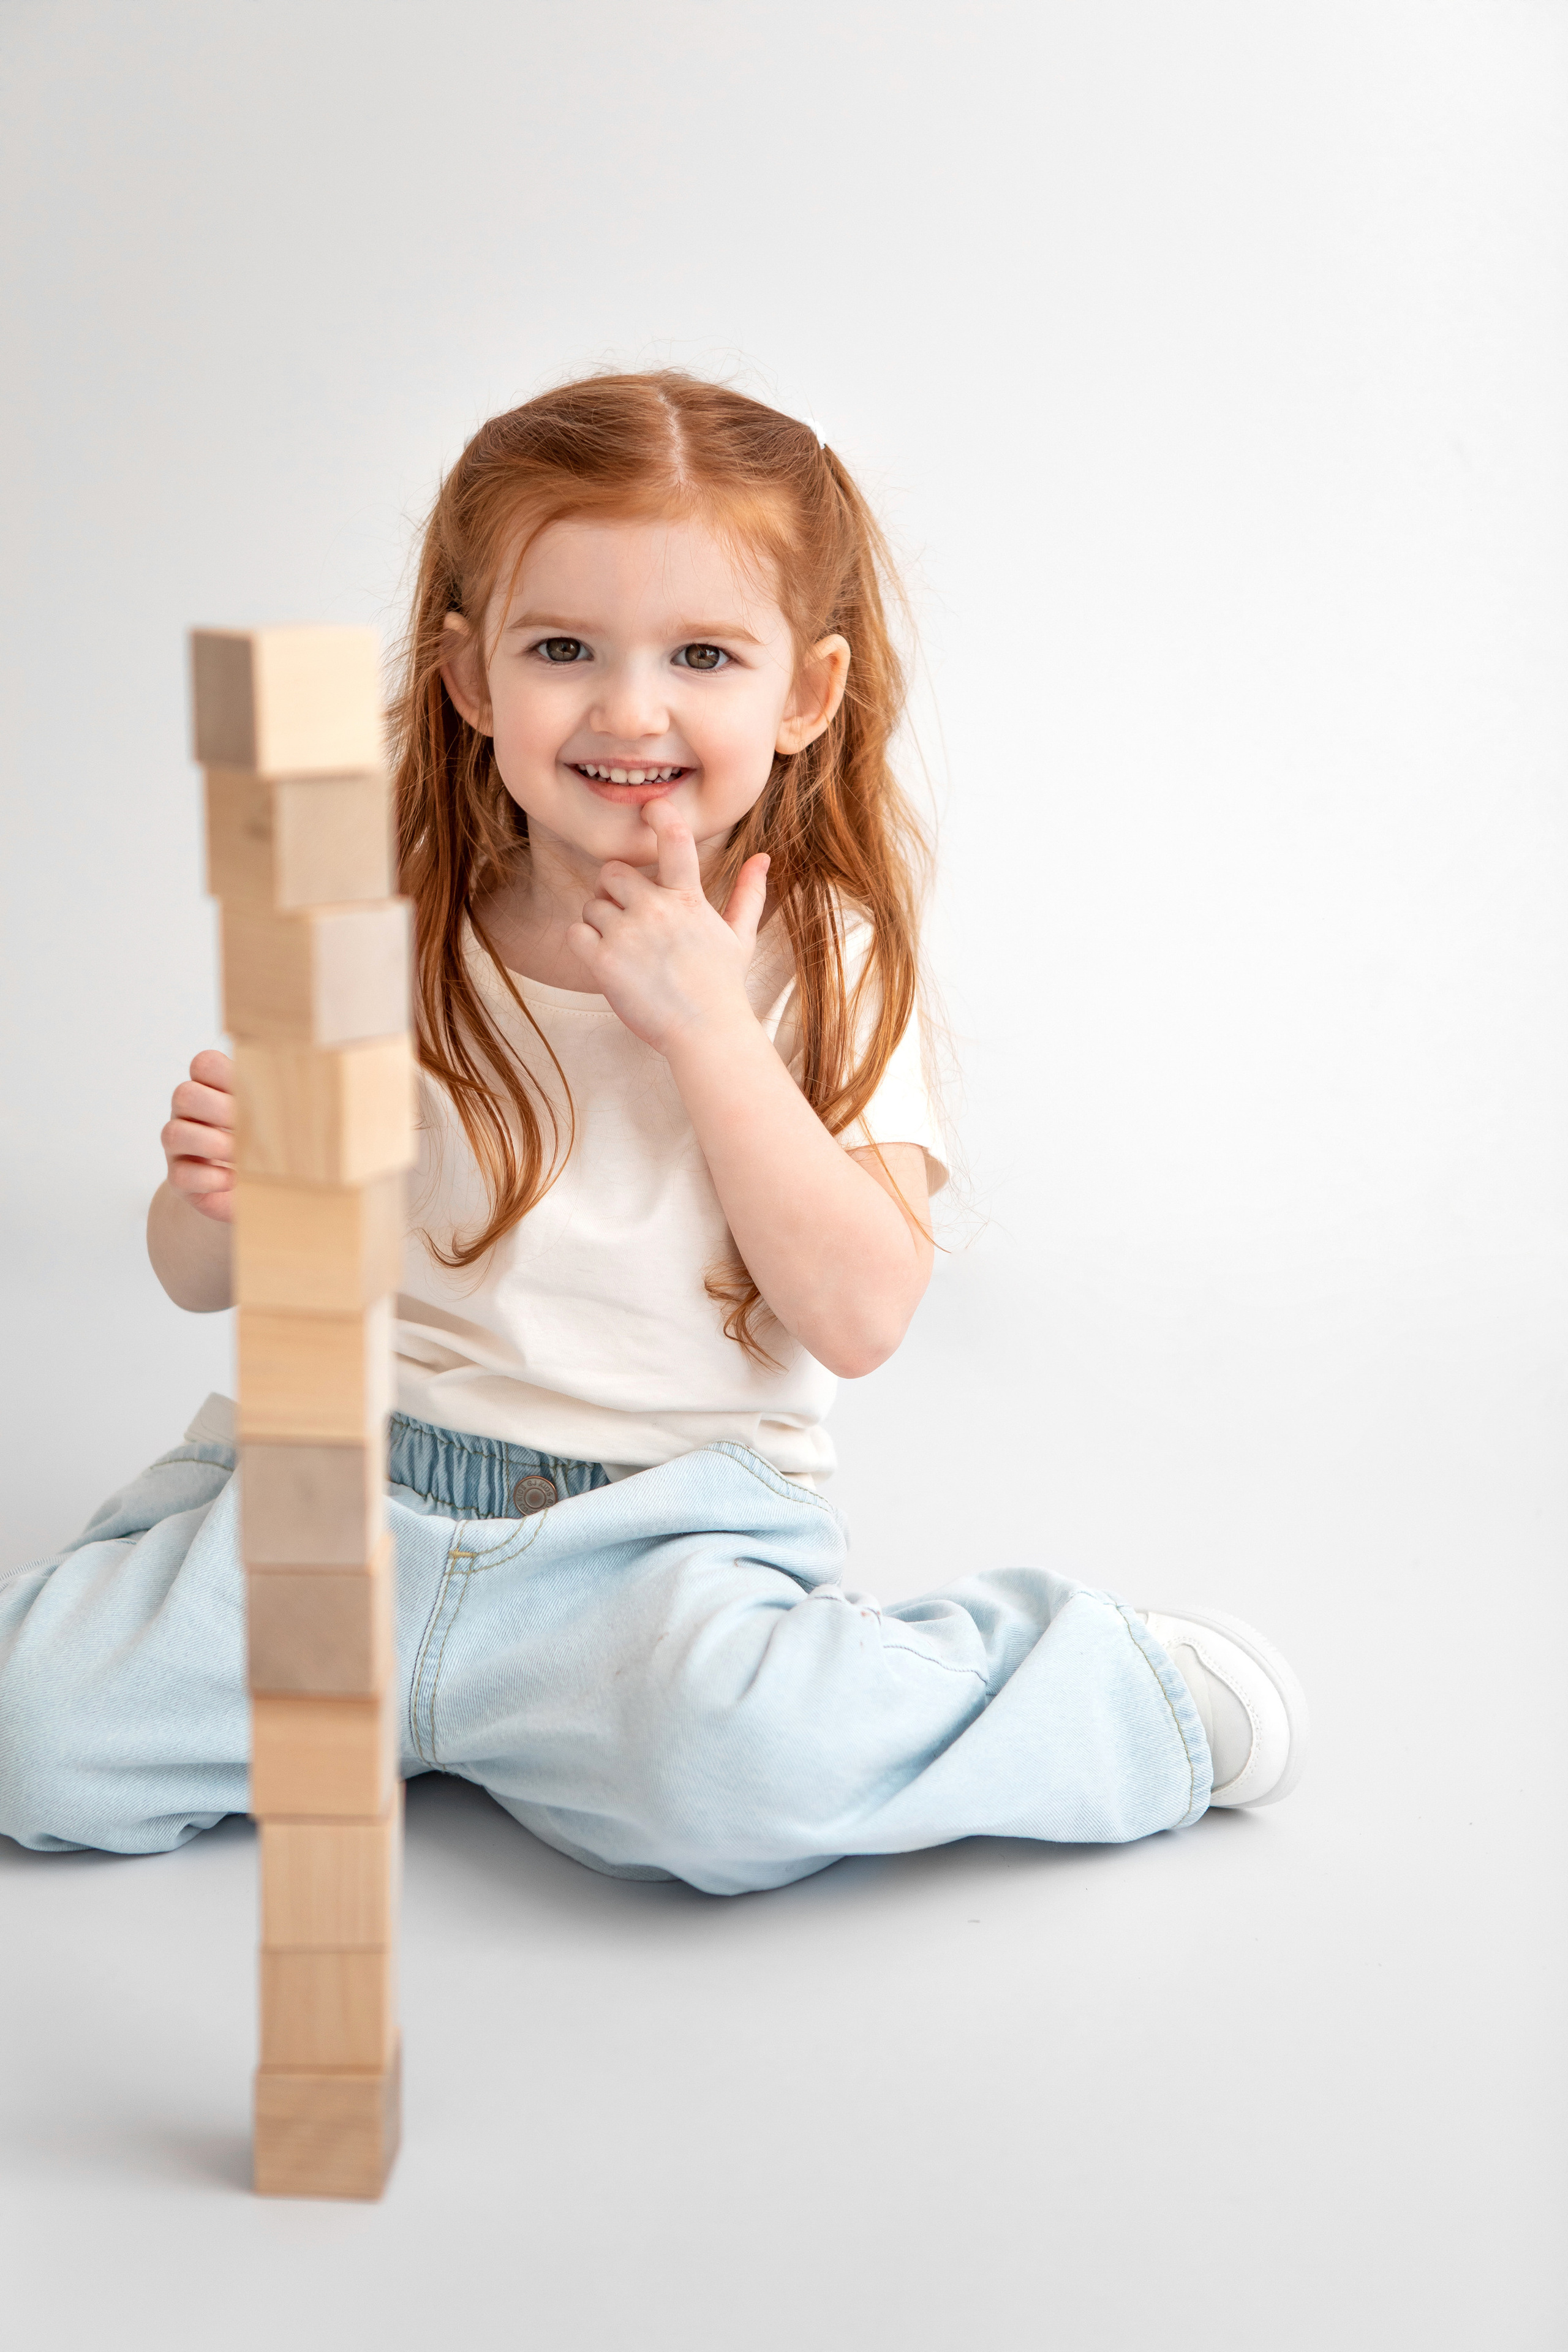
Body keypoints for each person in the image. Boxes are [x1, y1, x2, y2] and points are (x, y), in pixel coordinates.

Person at [0, 373, 1307, 1894]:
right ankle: (411, 1700)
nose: (630, 710)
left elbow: (861, 1312)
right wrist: (217, 1201)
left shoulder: (819, 957)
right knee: (39, 1734)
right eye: (562, 650)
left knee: (737, 1778)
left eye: (701, 654)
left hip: (652, 1545)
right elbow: (202, 1282)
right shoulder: (389, 931)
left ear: (801, 695)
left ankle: (1105, 1690)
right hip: (350, 1496)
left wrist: (704, 1026)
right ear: (472, 681)